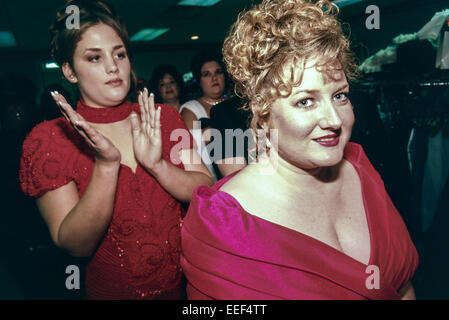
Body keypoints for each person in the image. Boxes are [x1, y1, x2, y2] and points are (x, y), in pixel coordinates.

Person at [181, 0, 419, 299]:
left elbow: (403, 287)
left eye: (340, 96)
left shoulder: (361, 169)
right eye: (305, 101)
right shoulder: (222, 222)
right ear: (263, 112)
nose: (334, 120)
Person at [19, 0, 213, 300]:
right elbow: (75, 244)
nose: (113, 67)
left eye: (119, 54)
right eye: (94, 58)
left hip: (190, 289)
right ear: (70, 71)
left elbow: (205, 189)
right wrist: (106, 165)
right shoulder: (50, 138)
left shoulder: (161, 116)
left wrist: (159, 166)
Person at [180, 51, 228, 181]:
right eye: (207, 74)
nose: (214, 78)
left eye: (218, 72)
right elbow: (192, 150)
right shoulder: (190, 109)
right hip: (210, 179)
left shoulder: (236, 103)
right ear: (199, 80)